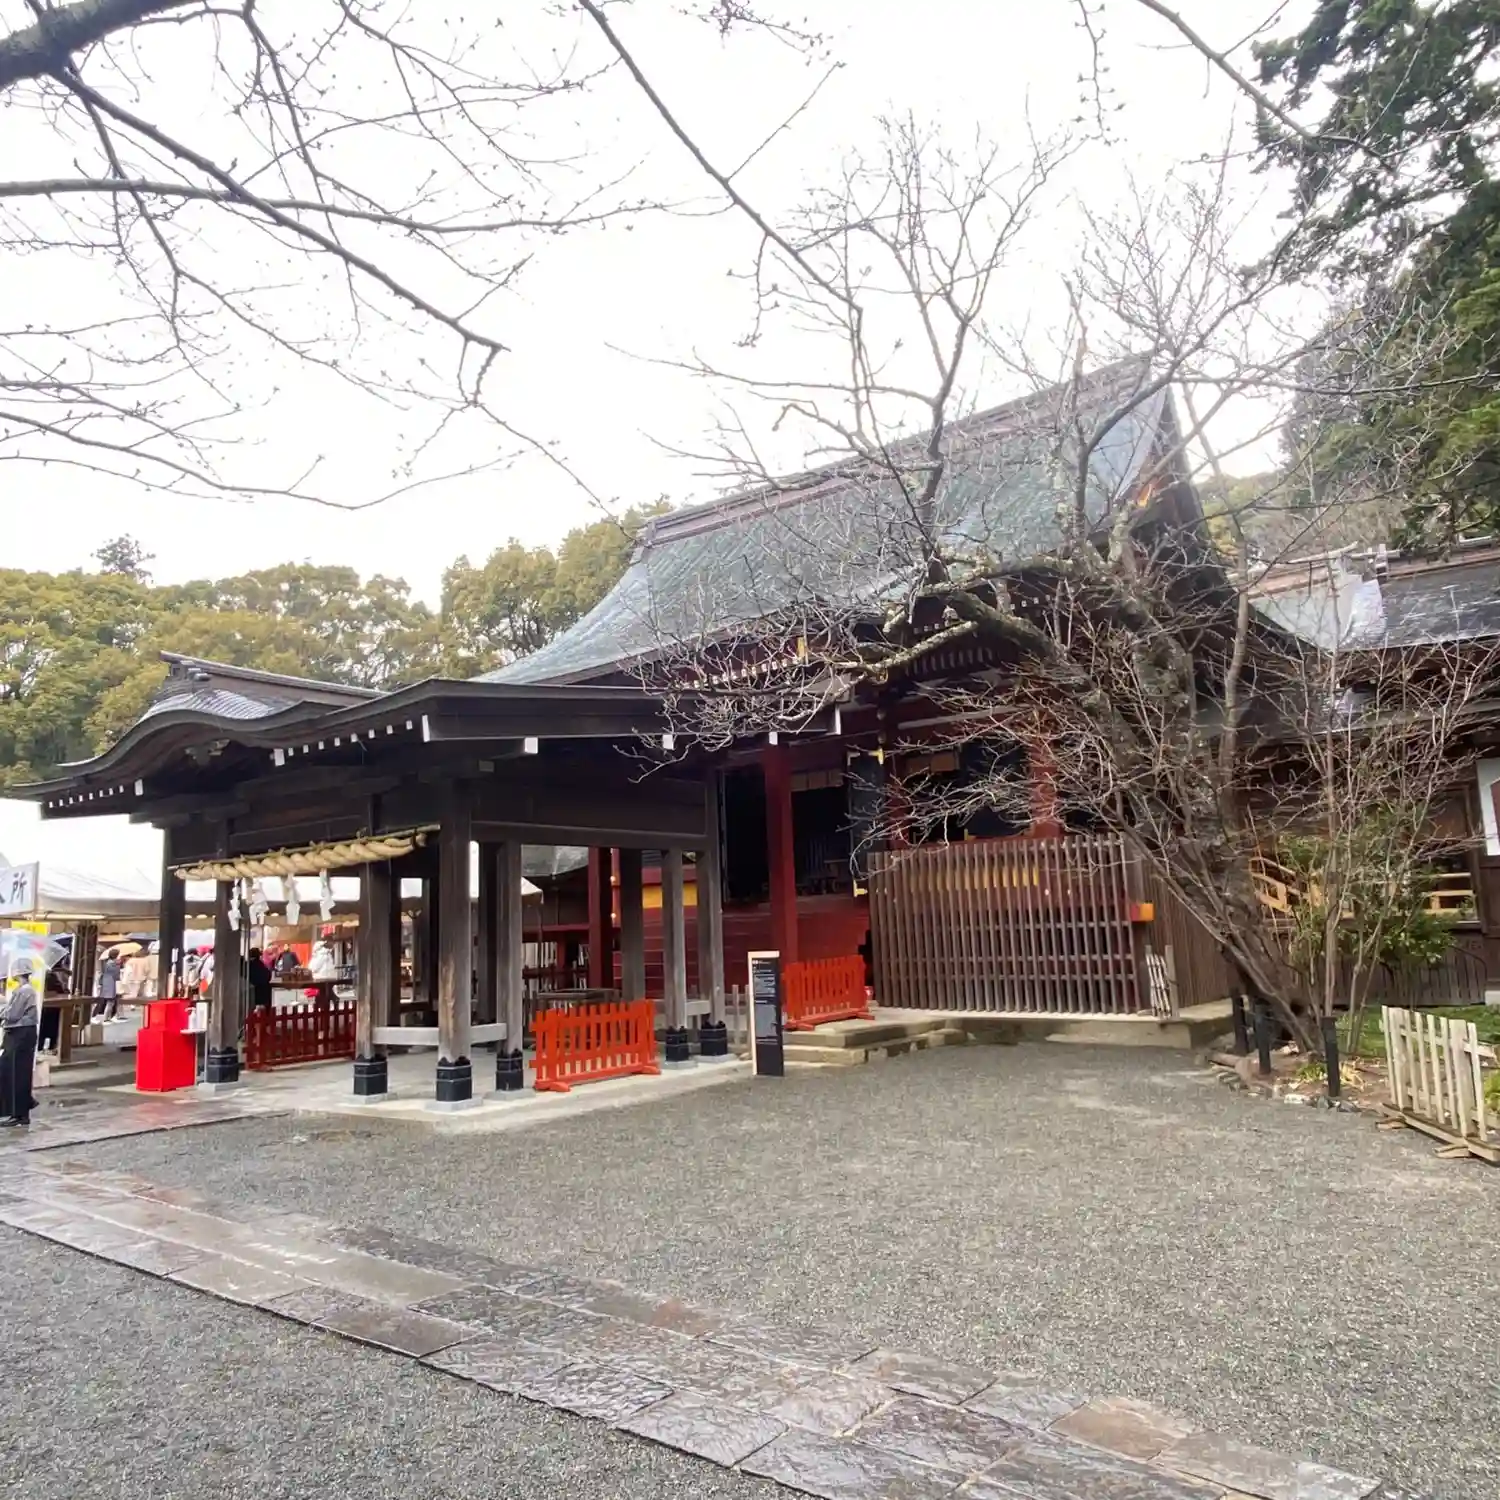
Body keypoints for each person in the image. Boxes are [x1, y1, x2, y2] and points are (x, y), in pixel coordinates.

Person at [0, 976, 40, 1127]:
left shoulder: (25, 991)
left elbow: (13, 1014)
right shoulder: (22, 990)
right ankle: (21, 1106)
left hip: (21, 1033)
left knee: (17, 1073)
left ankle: (20, 1112)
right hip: (18, 1033)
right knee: (11, 1071)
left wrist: (2, 1012)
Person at [93, 948, 121, 1022]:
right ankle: (106, 1017)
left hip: (106, 983)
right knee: (110, 1001)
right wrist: (118, 965)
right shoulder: (113, 964)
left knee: (108, 1001)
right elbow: (116, 974)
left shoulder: (107, 962)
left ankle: (107, 1016)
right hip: (111, 983)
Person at [246, 947, 273, 1012]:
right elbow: (268, 976)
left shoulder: (247, 965)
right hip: (264, 994)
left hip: (252, 994)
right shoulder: (261, 964)